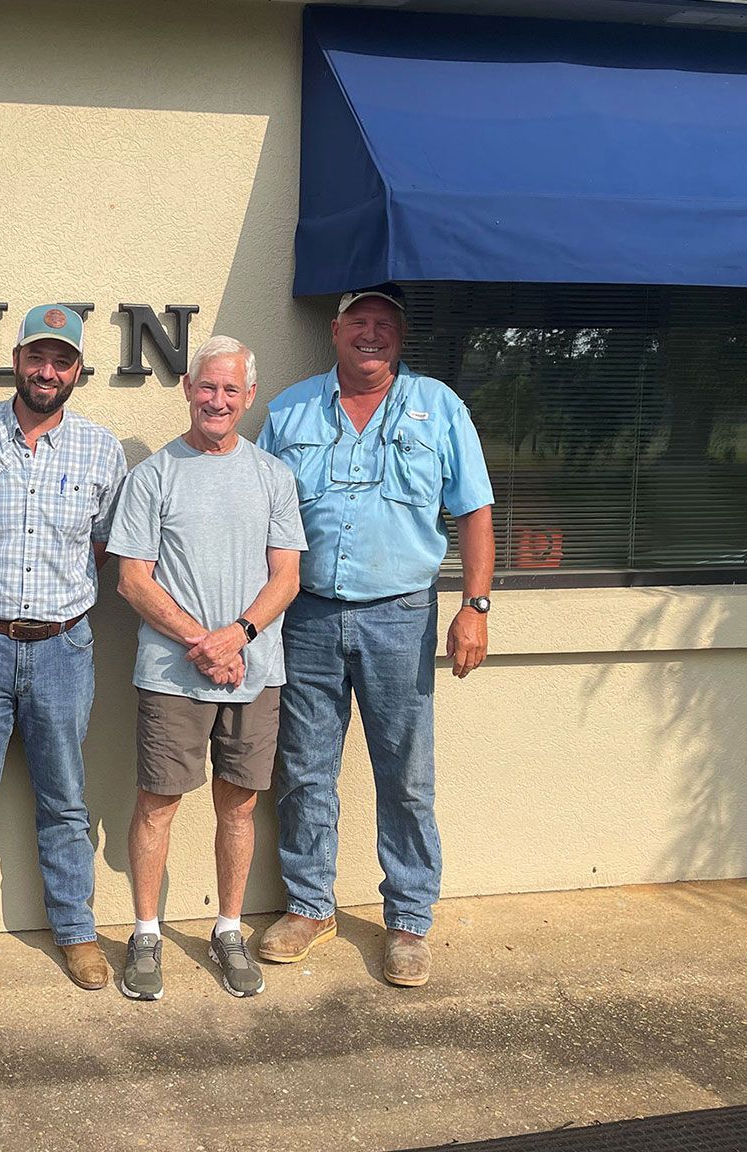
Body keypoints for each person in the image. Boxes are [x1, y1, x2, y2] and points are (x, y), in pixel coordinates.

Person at [256, 282, 495, 989]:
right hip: (307, 615)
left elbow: (475, 510)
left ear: (400, 337)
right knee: (302, 770)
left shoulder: (440, 408)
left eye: (384, 324)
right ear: (334, 332)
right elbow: (258, 509)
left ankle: (409, 920)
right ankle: (308, 906)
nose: (371, 333)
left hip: (402, 614)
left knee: (405, 775)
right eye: (358, 321)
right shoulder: (289, 409)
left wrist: (474, 605)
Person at [0, 304, 129, 1005]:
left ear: (79, 370)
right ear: (16, 360)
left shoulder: (102, 451)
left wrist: (58, 607)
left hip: (63, 649)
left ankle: (76, 931)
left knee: (65, 800)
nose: (48, 371)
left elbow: (100, 549)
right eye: (37, 357)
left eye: (63, 360)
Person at [105, 335, 305, 1001]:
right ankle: (146, 932)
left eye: (231, 390)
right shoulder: (154, 475)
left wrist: (239, 635)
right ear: (188, 390)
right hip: (173, 675)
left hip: (255, 670)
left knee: (239, 806)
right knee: (158, 803)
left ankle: (227, 927)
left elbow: (288, 576)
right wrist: (205, 643)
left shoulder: (273, 476)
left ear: (248, 399)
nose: (217, 400)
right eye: (207, 387)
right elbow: (133, 580)